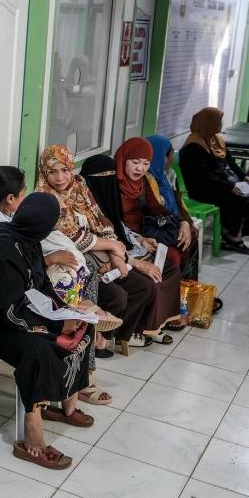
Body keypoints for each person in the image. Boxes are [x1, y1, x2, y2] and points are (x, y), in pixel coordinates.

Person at [0, 192, 95, 469]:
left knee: (83, 330)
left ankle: (66, 405)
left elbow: (41, 286)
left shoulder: (28, 242)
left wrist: (66, 310)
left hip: (21, 315)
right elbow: (6, 311)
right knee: (40, 348)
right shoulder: (0, 249)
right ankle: (33, 436)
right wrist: (55, 324)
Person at [37, 145, 156, 352]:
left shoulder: (80, 186)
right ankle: (97, 338)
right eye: (52, 172)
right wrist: (113, 246)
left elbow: (101, 220)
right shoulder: (45, 197)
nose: (60, 178)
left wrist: (116, 256)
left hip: (99, 253)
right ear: (44, 172)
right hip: (73, 262)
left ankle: (114, 336)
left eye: (64, 170)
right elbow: (72, 236)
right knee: (118, 295)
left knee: (142, 286)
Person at [81, 153, 183, 342]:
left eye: (110, 175)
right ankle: (125, 333)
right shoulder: (85, 204)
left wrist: (141, 239)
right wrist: (134, 263)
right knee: (147, 283)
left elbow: (119, 226)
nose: (107, 181)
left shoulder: (113, 195)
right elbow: (91, 240)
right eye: (100, 178)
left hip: (125, 251)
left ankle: (151, 326)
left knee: (171, 268)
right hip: (107, 260)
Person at [115, 136, 198, 282]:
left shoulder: (144, 180)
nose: (140, 168)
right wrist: (139, 239)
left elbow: (156, 209)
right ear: (123, 159)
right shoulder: (112, 184)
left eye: (146, 163)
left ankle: (187, 291)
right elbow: (114, 222)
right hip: (129, 238)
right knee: (171, 258)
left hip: (149, 231)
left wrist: (182, 222)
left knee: (187, 239)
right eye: (135, 162)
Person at [178, 108, 249, 253]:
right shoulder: (194, 146)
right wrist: (229, 186)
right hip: (202, 188)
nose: (220, 125)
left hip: (219, 182)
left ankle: (235, 233)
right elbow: (204, 176)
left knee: (248, 196)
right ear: (208, 123)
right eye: (218, 122)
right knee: (236, 197)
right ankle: (230, 235)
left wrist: (243, 176)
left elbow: (230, 161)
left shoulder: (216, 139)